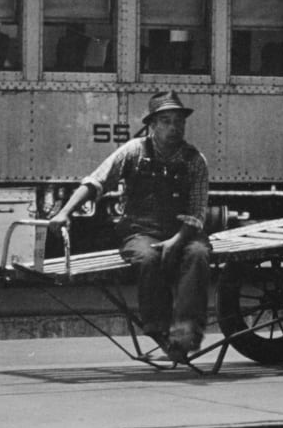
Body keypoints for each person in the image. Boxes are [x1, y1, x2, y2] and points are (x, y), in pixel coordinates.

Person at [49, 90, 211, 361]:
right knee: (149, 258)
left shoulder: (195, 160)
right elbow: (96, 181)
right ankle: (159, 329)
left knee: (198, 254)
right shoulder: (134, 151)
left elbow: (197, 213)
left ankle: (184, 334)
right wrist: (65, 212)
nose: (174, 128)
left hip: (182, 231)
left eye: (178, 122)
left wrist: (176, 241)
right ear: (152, 125)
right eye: (167, 121)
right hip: (140, 231)